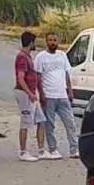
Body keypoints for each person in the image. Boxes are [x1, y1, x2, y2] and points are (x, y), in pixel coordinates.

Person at [34, 32, 79, 160]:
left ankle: (74, 149)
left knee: (70, 123)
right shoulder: (41, 57)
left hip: (62, 95)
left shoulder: (62, 55)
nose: (52, 42)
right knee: (50, 125)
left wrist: (70, 91)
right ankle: (53, 149)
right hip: (49, 95)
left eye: (54, 40)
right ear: (46, 41)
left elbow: (67, 74)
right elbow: (38, 77)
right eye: (50, 40)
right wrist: (41, 94)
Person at [13, 31, 46, 162]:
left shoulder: (27, 57)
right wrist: (30, 93)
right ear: (30, 43)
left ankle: (41, 150)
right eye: (34, 42)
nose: (35, 45)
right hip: (24, 93)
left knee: (41, 120)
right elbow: (21, 78)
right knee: (25, 122)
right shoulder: (22, 57)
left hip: (31, 93)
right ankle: (23, 152)